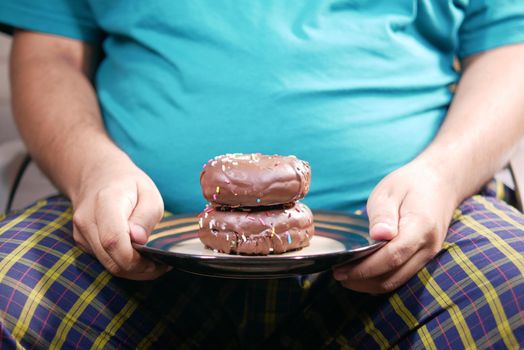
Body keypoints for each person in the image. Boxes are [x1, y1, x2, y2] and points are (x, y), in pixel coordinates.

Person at [0, 1, 523, 348]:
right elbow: (50, 53)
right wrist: (91, 169)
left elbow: (508, 46)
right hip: (135, 249)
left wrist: (443, 175)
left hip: (415, 233)